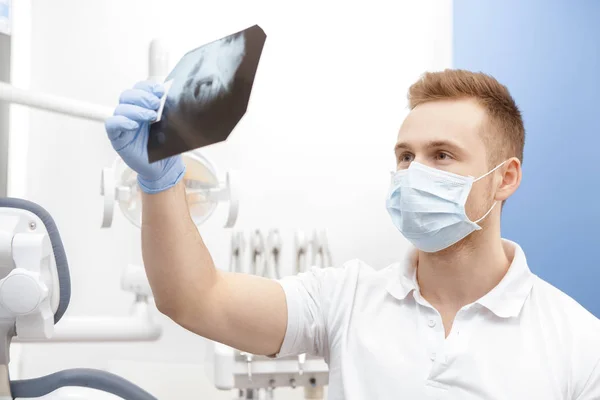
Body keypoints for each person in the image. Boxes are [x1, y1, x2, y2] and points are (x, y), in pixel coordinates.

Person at [104, 69, 600, 399]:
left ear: (505, 178)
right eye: (405, 156)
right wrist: (160, 181)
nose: (412, 173)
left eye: (441, 155)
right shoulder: (346, 299)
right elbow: (195, 298)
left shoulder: (578, 341)